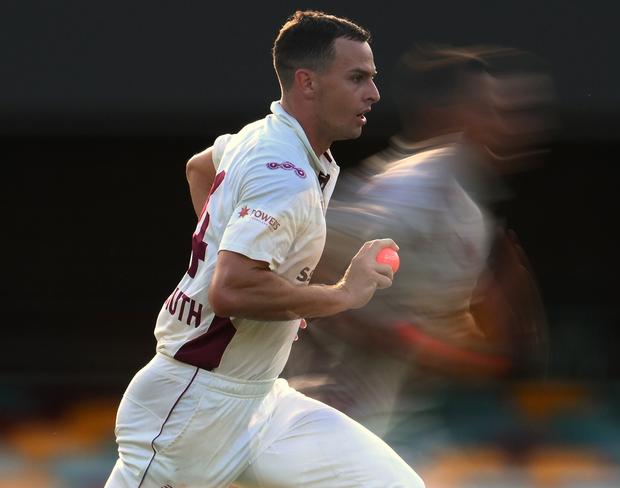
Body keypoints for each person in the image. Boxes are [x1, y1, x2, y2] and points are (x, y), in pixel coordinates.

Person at [106, 10, 424, 488]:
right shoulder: (282, 171)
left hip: (264, 403)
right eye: (357, 78)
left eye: (372, 78)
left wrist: (225, 245)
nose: (374, 93)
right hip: (192, 406)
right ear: (307, 82)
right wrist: (342, 293)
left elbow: (198, 168)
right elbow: (232, 291)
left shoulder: (270, 140)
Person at [284, 44, 552, 473]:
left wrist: (481, 340)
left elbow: (444, 331)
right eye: (494, 109)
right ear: (454, 113)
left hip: (382, 425)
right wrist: (387, 328)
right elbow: (307, 251)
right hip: (322, 415)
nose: (511, 124)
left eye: (520, 112)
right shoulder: (415, 190)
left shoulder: (467, 211)